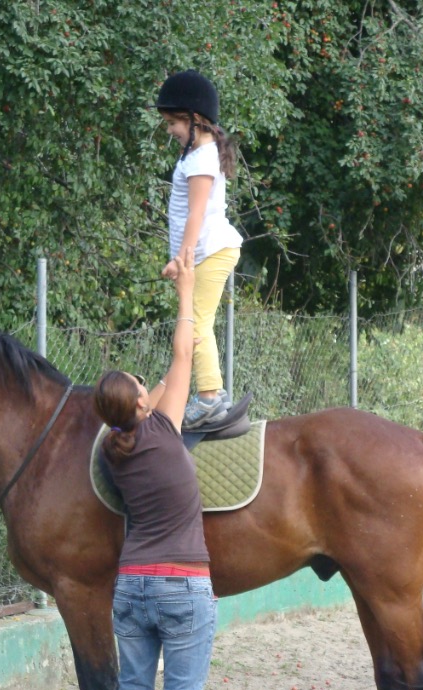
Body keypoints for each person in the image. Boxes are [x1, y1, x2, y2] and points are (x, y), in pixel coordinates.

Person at [94, 254, 216, 690]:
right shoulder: (166, 429)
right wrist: (188, 289)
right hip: (183, 585)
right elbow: (183, 354)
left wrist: (155, 387)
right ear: (142, 406)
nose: (149, 385)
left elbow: (167, 378)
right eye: (143, 388)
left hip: (131, 585)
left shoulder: (114, 448)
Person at [155, 69, 243, 430]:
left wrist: (182, 259)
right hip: (206, 251)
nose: (170, 130)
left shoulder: (203, 158)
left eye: (173, 123)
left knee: (196, 324)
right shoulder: (197, 154)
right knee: (194, 323)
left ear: (195, 120)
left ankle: (210, 397)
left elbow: (196, 212)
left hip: (208, 252)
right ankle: (207, 394)